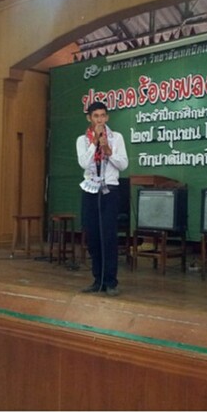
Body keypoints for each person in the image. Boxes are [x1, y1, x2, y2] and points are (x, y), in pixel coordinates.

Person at [76, 101, 128, 296]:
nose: (100, 120)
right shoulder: (82, 140)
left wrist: (108, 151)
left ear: (107, 117)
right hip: (90, 190)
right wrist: (94, 144)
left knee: (108, 236)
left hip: (110, 190)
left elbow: (123, 164)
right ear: (89, 118)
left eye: (103, 115)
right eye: (96, 116)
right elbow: (84, 163)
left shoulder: (117, 138)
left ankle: (111, 282)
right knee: (93, 237)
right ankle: (98, 280)